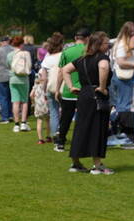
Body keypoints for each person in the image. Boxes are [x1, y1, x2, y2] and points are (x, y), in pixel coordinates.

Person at [60, 32, 113, 174]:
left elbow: (65, 70)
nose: (109, 46)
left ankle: (75, 163)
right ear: (100, 45)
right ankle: (97, 165)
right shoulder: (102, 58)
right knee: (98, 128)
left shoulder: (82, 59)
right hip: (97, 95)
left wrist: (71, 86)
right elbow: (103, 67)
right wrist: (102, 87)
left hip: (83, 94)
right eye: (107, 43)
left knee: (81, 128)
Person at [53, 28, 90, 152]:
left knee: (65, 118)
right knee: (84, 118)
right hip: (85, 90)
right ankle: (82, 142)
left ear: (75, 38)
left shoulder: (67, 51)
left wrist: (57, 89)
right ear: (88, 38)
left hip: (69, 90)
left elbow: (61, 72)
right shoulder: (89, 51)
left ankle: (60, 142)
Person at [38, 33, 64, 144]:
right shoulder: (64, 56)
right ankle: (61, 133)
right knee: (64, 111)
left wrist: (43, 92)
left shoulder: (47, 59)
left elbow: (44, 78)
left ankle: (54, 134)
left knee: (54, 112)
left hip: (50, 88)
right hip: (64, 87)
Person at [110, 22, 134, 115]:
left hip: (127, 76)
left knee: (124, 103)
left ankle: (121, 125)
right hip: (124, 77)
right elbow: (121, 62)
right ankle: (122, 127)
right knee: (124, 104)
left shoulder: (124, 43)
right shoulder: (122, 44)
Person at [8, 36, 32, 132]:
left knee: (15, 101)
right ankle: (23, 123)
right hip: (24, 79)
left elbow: (8, 65)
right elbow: (29, 66)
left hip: (13, 79)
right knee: (24, 101)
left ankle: (16, 124)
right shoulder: (26, 54)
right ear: (21, 44)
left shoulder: (10, 55)